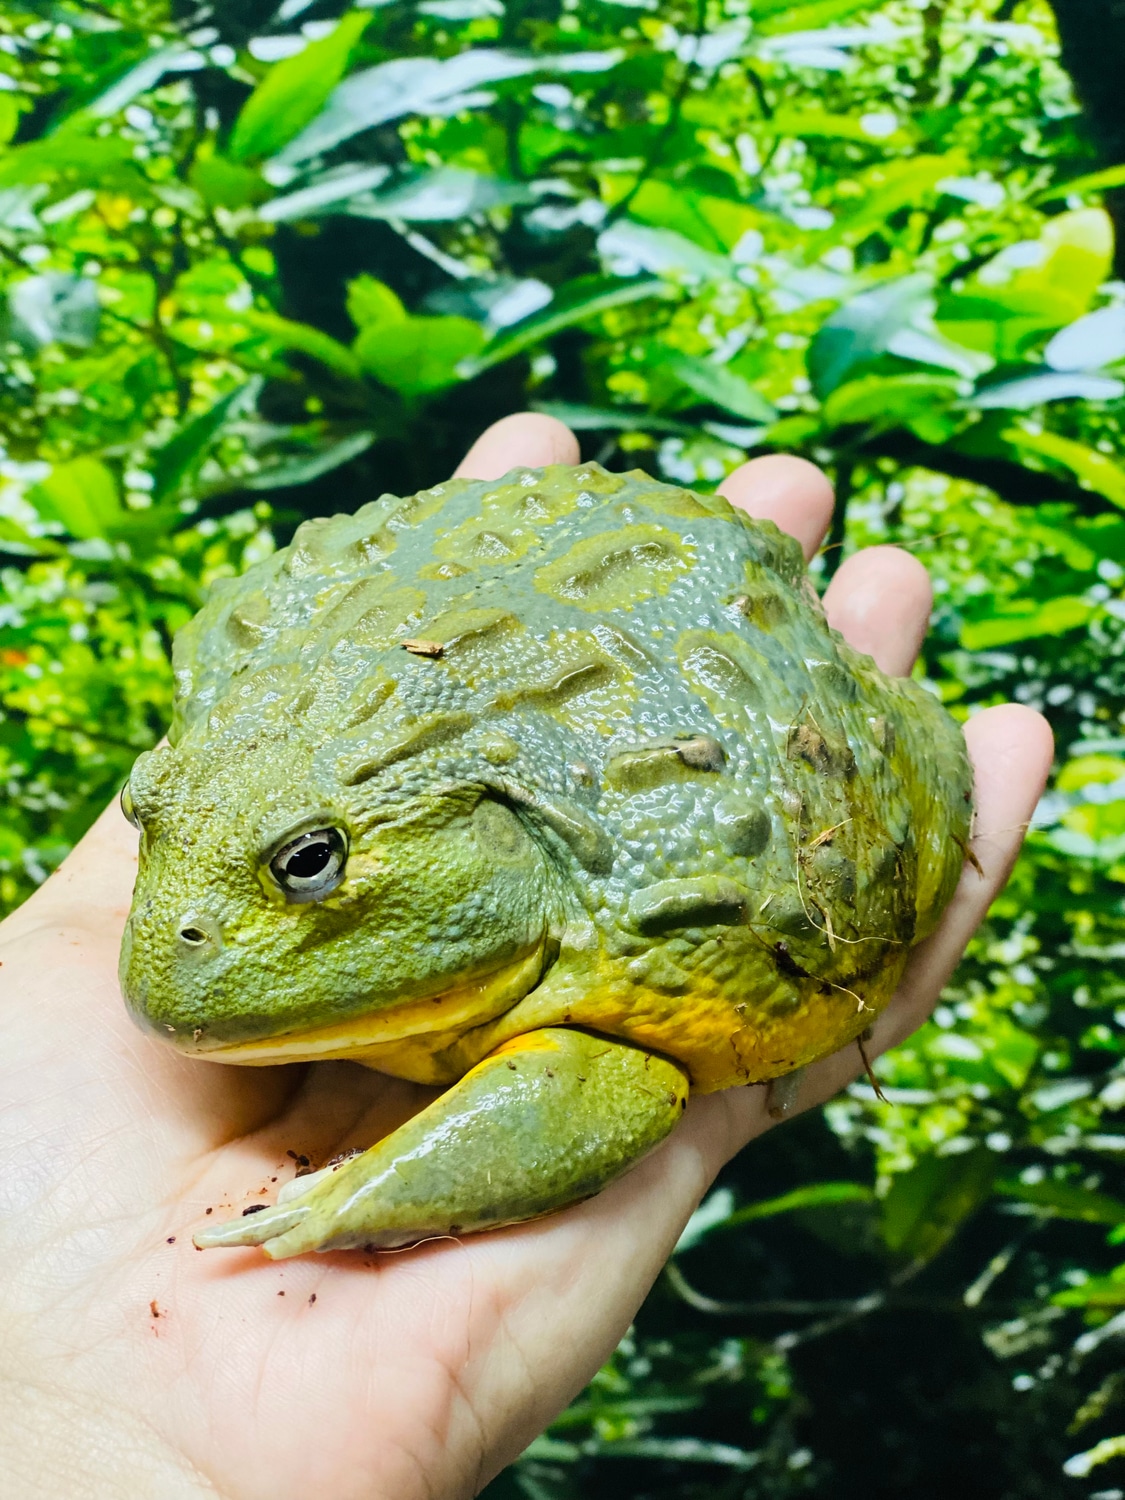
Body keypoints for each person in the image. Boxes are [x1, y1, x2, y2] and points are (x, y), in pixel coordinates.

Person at [0, 413, 1052, 1499]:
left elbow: (621, 1079)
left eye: (308, 866)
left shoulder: (596, 965)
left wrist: (355, 1198)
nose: (174, 938)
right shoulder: (248, 737)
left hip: (724, 706)